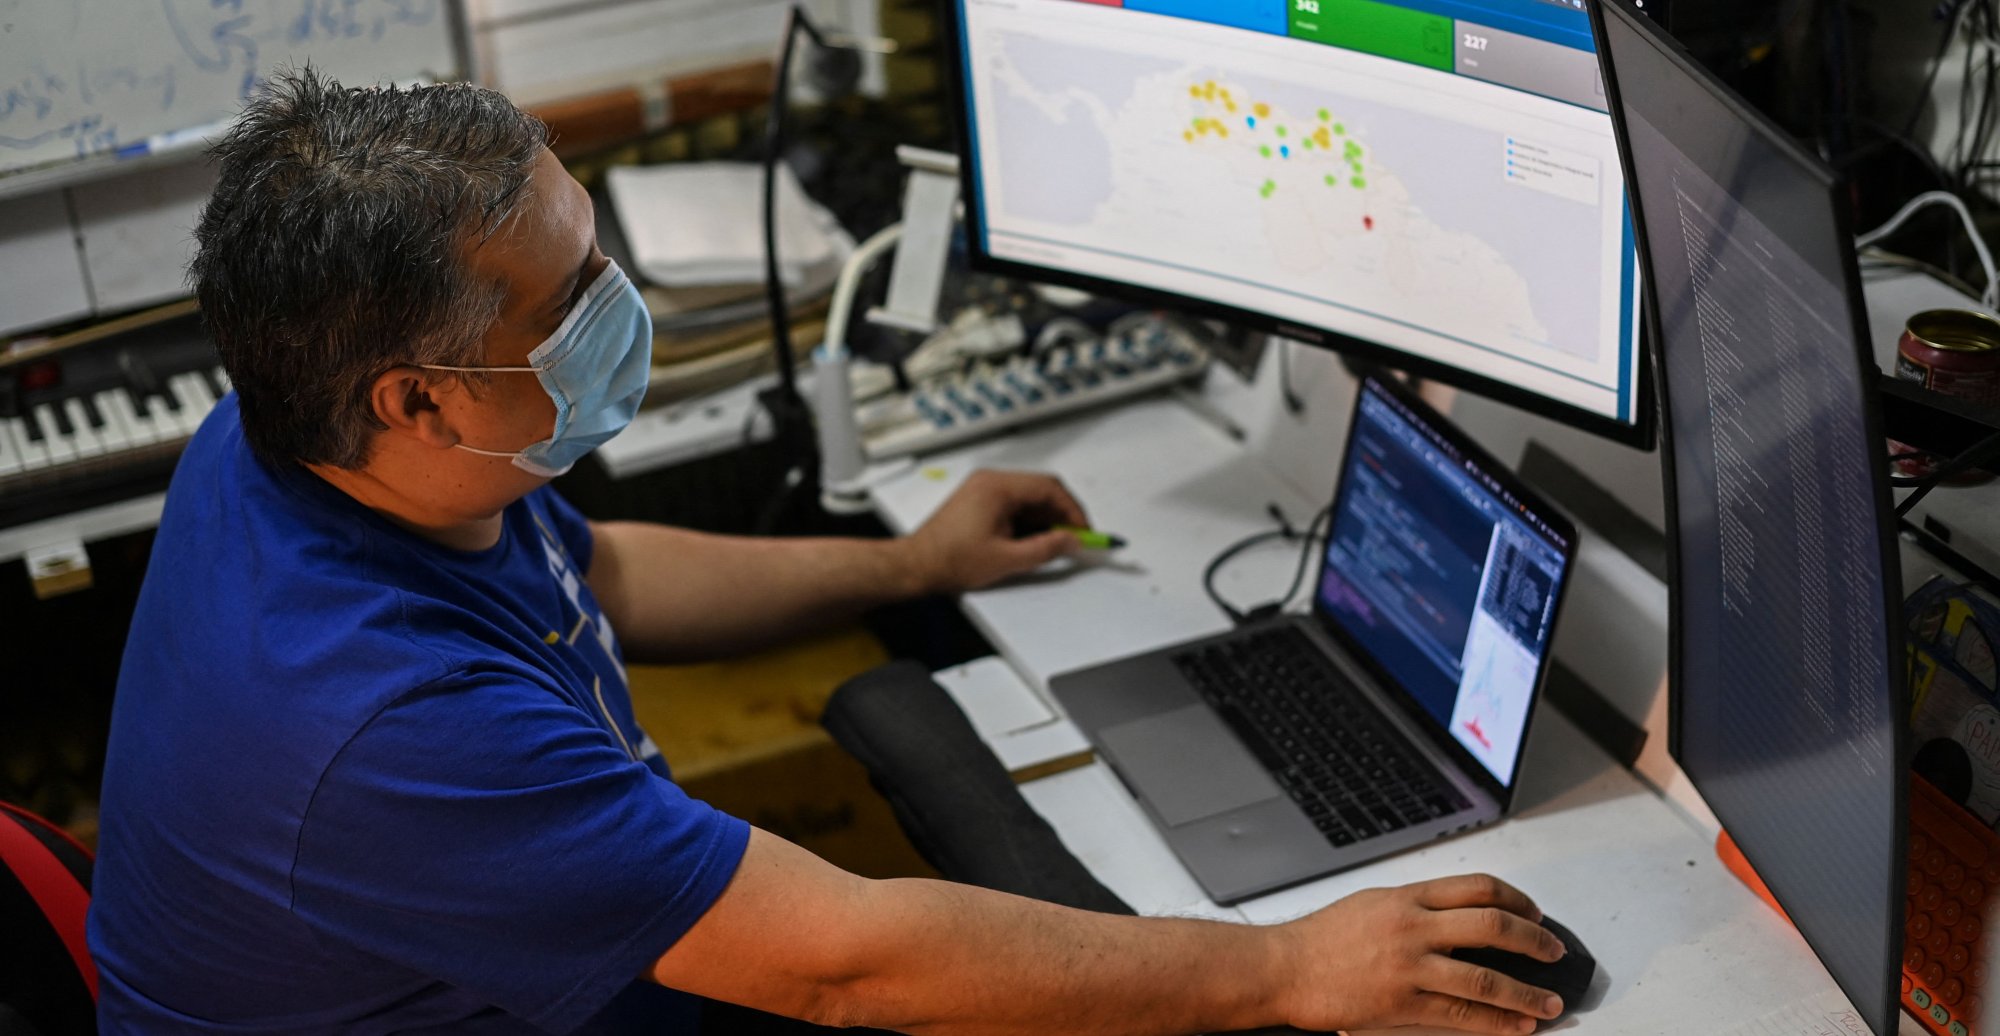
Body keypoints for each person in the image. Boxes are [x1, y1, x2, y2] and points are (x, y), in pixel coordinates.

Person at [86, 70, 1571, 1036]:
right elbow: (844, 962)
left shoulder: (303, 437)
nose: (623, 305)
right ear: (419, 396)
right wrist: (1288, 972)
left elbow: (590, 580)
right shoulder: (384, 728)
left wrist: (907, 570)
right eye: (574, 297)